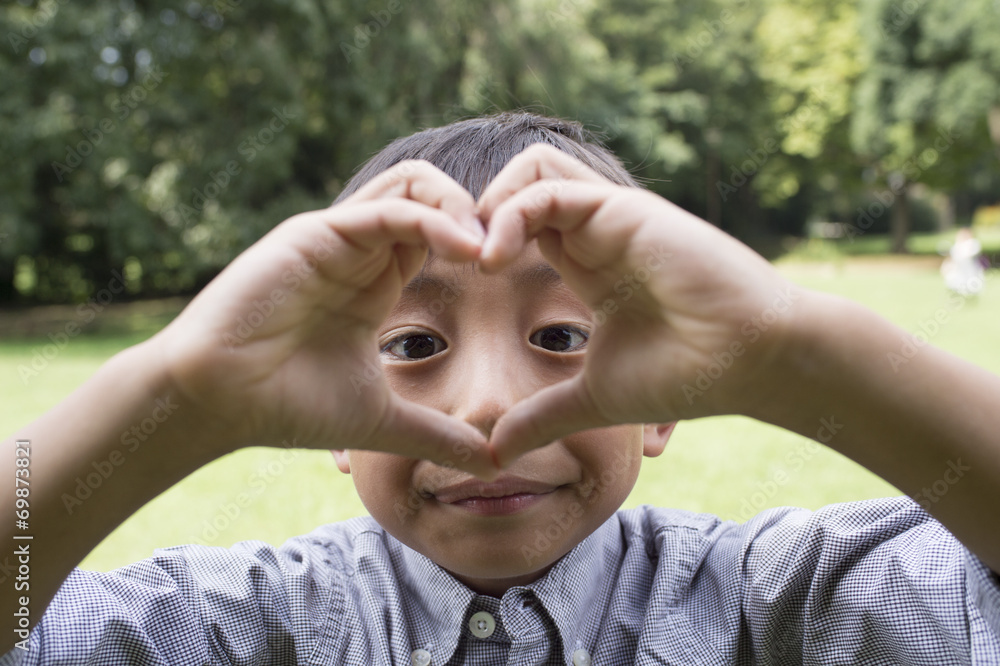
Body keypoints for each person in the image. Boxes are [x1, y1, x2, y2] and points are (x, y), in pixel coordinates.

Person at [3, 112, 1000, 665]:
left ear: (663, 406)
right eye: (410, 343)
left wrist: (794, 351)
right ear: (328, 424)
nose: (482, 403)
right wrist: (181, 393)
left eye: (561, 333)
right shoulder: (240, 629)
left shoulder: (779, 608)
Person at [941, 227, 987, 297]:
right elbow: (953, 258)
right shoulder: (957, 245)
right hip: (959, 269)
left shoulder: (973, 243)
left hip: (971, 269)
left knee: (971, 284)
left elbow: (969, 254)